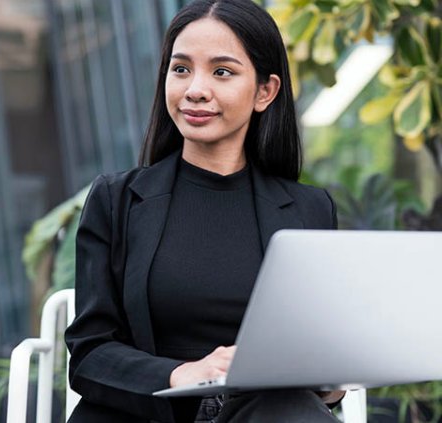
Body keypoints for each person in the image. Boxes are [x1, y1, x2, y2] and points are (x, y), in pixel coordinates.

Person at [64, 0, 345, 422]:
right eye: (181, 69)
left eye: (222, 72)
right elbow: (89, 354)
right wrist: (181, 374)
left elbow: (317, 353)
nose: (195, 89)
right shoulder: (116, 199)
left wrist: (330, 381)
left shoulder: (309, 209)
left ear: (265, 92)